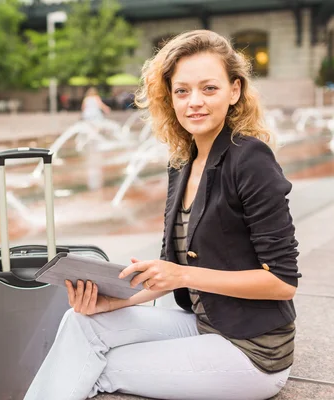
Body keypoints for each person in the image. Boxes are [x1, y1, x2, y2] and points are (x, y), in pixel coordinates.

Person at [25, 30, 301, 400]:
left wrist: (183, 273)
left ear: (234, 91)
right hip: (204, 324)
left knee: (97, 366)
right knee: (80, 323)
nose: (194, 102)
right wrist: (114, 301)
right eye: (182, 91)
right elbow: (169, 271)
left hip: (251, 349)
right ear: (169, 98)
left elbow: (282, 281)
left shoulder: (251, 160)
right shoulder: (182, 163)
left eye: (209, 88)